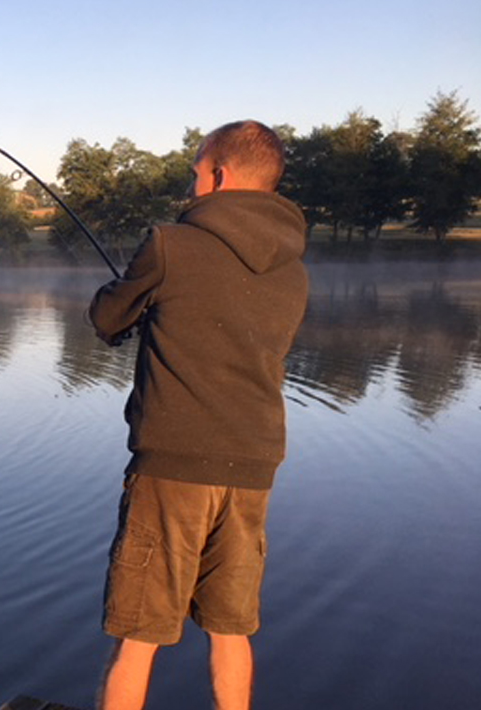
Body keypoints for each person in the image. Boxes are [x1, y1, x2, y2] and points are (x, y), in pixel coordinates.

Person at [88, 120, 308, 710]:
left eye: (195, 174)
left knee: (138, 637)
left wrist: (126, 298)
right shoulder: (294, 268)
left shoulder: (169, 245)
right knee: (231, 630)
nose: (191, 188)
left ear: (219, 175)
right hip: (254, 467)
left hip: (173, 469)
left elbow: (108, 319)